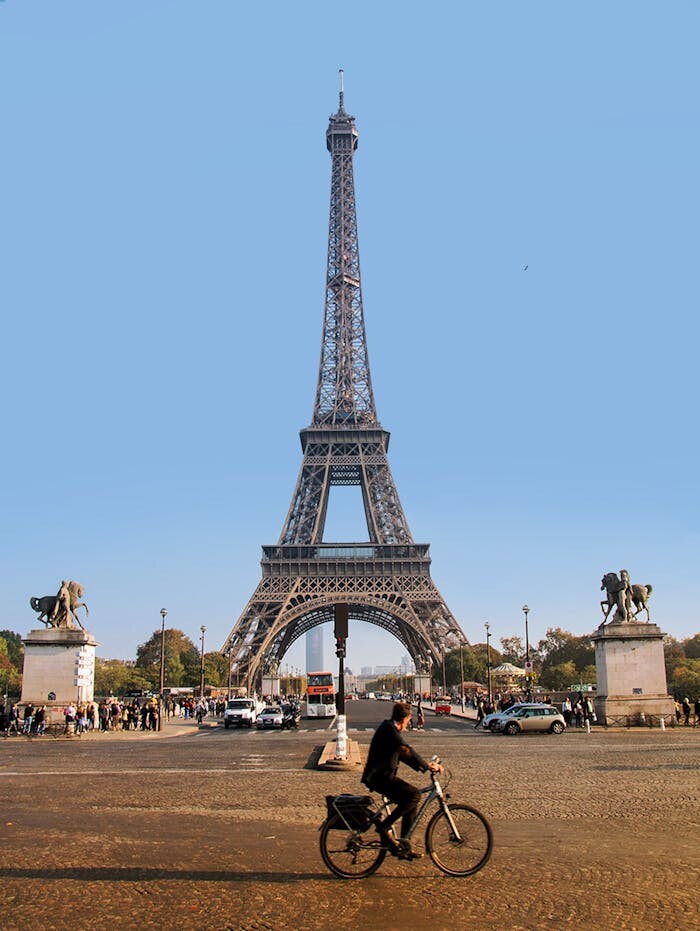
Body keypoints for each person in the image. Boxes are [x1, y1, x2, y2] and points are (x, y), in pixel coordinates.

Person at [361, 701, 443, 860]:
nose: (408, 722)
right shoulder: (390, 731)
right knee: (414, 796)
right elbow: (406, 750)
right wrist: (426, 766)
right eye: (408, 719)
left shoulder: (390, 729)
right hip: (379, 777)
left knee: (413, 799)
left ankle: (404, 845)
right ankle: (384, 827)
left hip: (383, 776)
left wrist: (423, 766)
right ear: (404, 719)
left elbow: (404, 755)